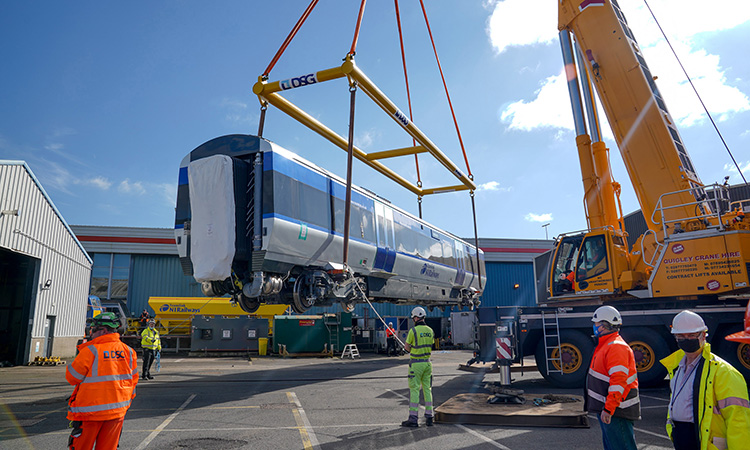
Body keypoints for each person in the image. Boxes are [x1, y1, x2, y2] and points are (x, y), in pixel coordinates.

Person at [660, 310, 750, 450]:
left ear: (703, 335)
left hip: (707, 442)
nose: (686, 339)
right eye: (681, 336)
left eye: (691, 335)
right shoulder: (676, 368)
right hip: (682, 437)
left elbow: (738, 419)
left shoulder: (723, 372)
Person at [66, 312, 137, 450]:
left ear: (103, 330)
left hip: (90, 414)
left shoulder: (90, 351)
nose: (91, 333)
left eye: (93, 330)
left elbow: (72, 378)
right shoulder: (128, 351)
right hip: (117, 412)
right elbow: (133, 381)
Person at [586, 305, 640, 450]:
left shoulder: (615, 347)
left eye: (596, 323)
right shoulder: (607, 345)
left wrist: (609, 408)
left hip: (617, 410)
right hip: (612, 407)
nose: (594, 326)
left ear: (604, 326)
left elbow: (618, 381)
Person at [401, 306, 434, 428]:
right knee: (427, 389)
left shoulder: (413, 331)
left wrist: (410, 349)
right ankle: (429, 417)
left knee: (414, 389)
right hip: (427, 363)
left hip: (416, 364)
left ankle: (413, 419)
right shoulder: (430, 330)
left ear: (415, 318)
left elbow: (407, 347)